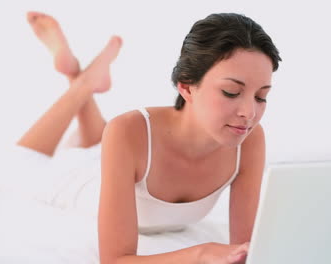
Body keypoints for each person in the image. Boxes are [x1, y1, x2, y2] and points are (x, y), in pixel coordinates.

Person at [18, 11, 281, 264]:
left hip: (126, 153)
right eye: (231, 92)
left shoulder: (249, 139)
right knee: (19, 163)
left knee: (99, 141)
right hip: (79, 182)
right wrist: (200, 254)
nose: (249, 113)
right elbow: (115, 260)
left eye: (261, 96)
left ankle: (83, 76)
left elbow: (246, 249)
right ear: (187, 86)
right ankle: (82, 81)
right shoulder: (127, 129)